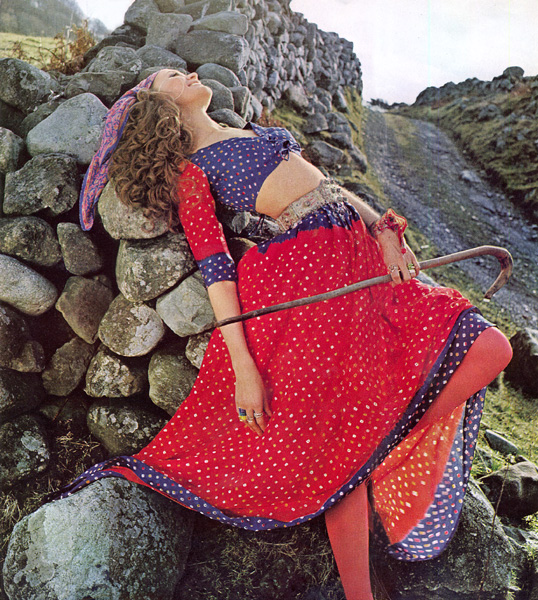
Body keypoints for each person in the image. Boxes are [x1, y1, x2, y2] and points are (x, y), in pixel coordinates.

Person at [64, 70, 513, 600]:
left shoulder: (256, 131)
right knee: (336, 440)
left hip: (362, 264)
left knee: (490, 348)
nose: (189, 72)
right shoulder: (192, 173)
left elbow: (331, 188)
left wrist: (385, 231)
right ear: (160, 109)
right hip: (306, 282)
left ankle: (371, 452)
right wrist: (245, 368)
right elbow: (216, 269)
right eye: (173, 77)